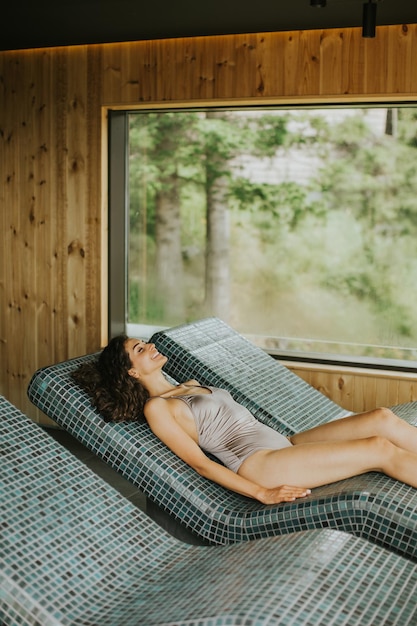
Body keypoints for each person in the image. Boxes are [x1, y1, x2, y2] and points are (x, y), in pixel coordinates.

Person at [72, 334, 417, 506]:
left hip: (284, 443)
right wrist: (261, 492)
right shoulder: (157, 409)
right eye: (139, 350)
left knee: (381, 418)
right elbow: (200, 465)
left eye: (145, 343)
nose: (149, 347)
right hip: (261, 464)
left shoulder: (188, 385)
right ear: (132, 371)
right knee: (379, 449)